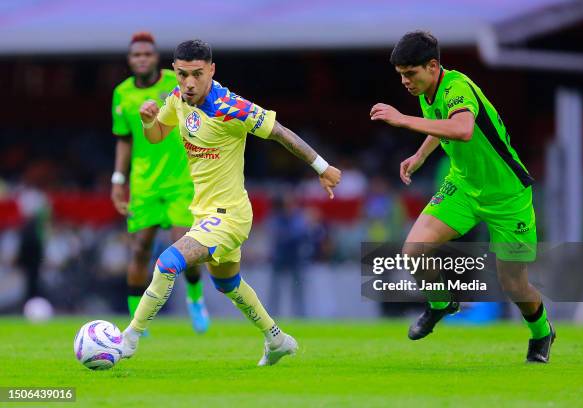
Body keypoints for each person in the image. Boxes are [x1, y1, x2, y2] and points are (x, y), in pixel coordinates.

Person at [120, 39, 341, 366]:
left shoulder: (231, 107)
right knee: (228, 283)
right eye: (182, 74)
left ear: (212, 70)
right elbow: (157, 135)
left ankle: (129, 339)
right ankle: (277, 339)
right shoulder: (178, 99)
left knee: (167, 263)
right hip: (204, 213)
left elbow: (279, 132)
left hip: (229, 216)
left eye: (197, 74)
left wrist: (321, 167)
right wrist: (148, 120)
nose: (189, 82)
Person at [370, 31, 554, 363]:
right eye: (400, 76)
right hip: (464, 187)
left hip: (507, 195)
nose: (405, 82)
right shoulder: (427, 90)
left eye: (410, 74)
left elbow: (463, 129)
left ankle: (542, 333)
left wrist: (401, 120)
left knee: (513, 284)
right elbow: (439, 125)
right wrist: (421, 155)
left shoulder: (457, 87)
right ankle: (442, 303)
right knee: (414, 252)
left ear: (433, 65)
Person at [111, 32, 209, 333]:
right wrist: (118, 180)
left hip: (180, 180)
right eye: (136, 55)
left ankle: (195, 298)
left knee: (185, 249)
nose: (142, 59)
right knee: (140, 249)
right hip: (144, 184)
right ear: (130, 60)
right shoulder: (122, 94)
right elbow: (124, 140)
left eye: (147, 54)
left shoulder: (177, 82)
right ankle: (137, 320)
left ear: (156, 58)